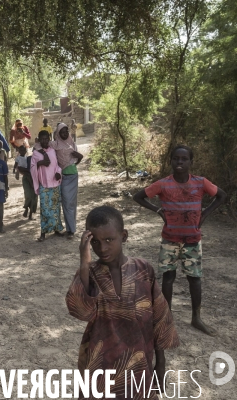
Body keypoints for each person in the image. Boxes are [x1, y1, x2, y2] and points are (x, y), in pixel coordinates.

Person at [66, 206, 179, 399]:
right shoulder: (89, 274)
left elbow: (160, 318)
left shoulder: (144, 270)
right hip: (99, 368)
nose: (102, 248)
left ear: (124, 236)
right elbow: (81, 311)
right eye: (95, 242)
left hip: (139, 365)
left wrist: (160, 363)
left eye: (109, 240)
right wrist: (84, 261)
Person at [133, 145, 227, 336]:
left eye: (184, 159)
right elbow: (138, 196)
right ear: (171, 161)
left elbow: (221, 196)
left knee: (195, 279)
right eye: (176, 158)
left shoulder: (200, 183)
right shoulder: (163, 184)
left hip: (193, 240)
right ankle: (166, 318)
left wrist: (205, 213)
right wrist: (158, 211)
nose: (180, 162)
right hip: (170, 240)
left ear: (191, 162)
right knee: (168, 278)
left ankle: (196, 318)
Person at [50, 123, 83, 238]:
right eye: (62, 132)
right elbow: (41, 146)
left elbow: (77, 159)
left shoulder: (71, 142)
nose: (65, 133)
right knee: (66, 203)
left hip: (73, 175)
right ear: (58, 133)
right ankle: (70, 228)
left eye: (66, 131)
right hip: (63, 177)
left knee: (70, 203)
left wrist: (79, 157)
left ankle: (71, 230)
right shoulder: (55, 144)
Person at [31, 130, 64, 242]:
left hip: (54, 183)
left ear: (49, 139)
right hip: (44, 184)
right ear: (39, 140)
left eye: (47, 138)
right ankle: (43, 232)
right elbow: (32, 167)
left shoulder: (53, 151)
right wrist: (40, 163)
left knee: (55, 208)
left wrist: (58, 173)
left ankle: (56, 229)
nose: (45, 141)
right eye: (42, 139)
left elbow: (57, 165)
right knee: (45, 209)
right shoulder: (36, 153)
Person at [13, 145, 36, 220]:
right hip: (27, 178)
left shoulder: (37, 160)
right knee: (28, 195)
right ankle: (26, 207)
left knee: (34, 197)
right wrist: (17, 171)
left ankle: (31, 214)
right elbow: (19, 167)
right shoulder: (28, 159)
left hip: (36, 179)